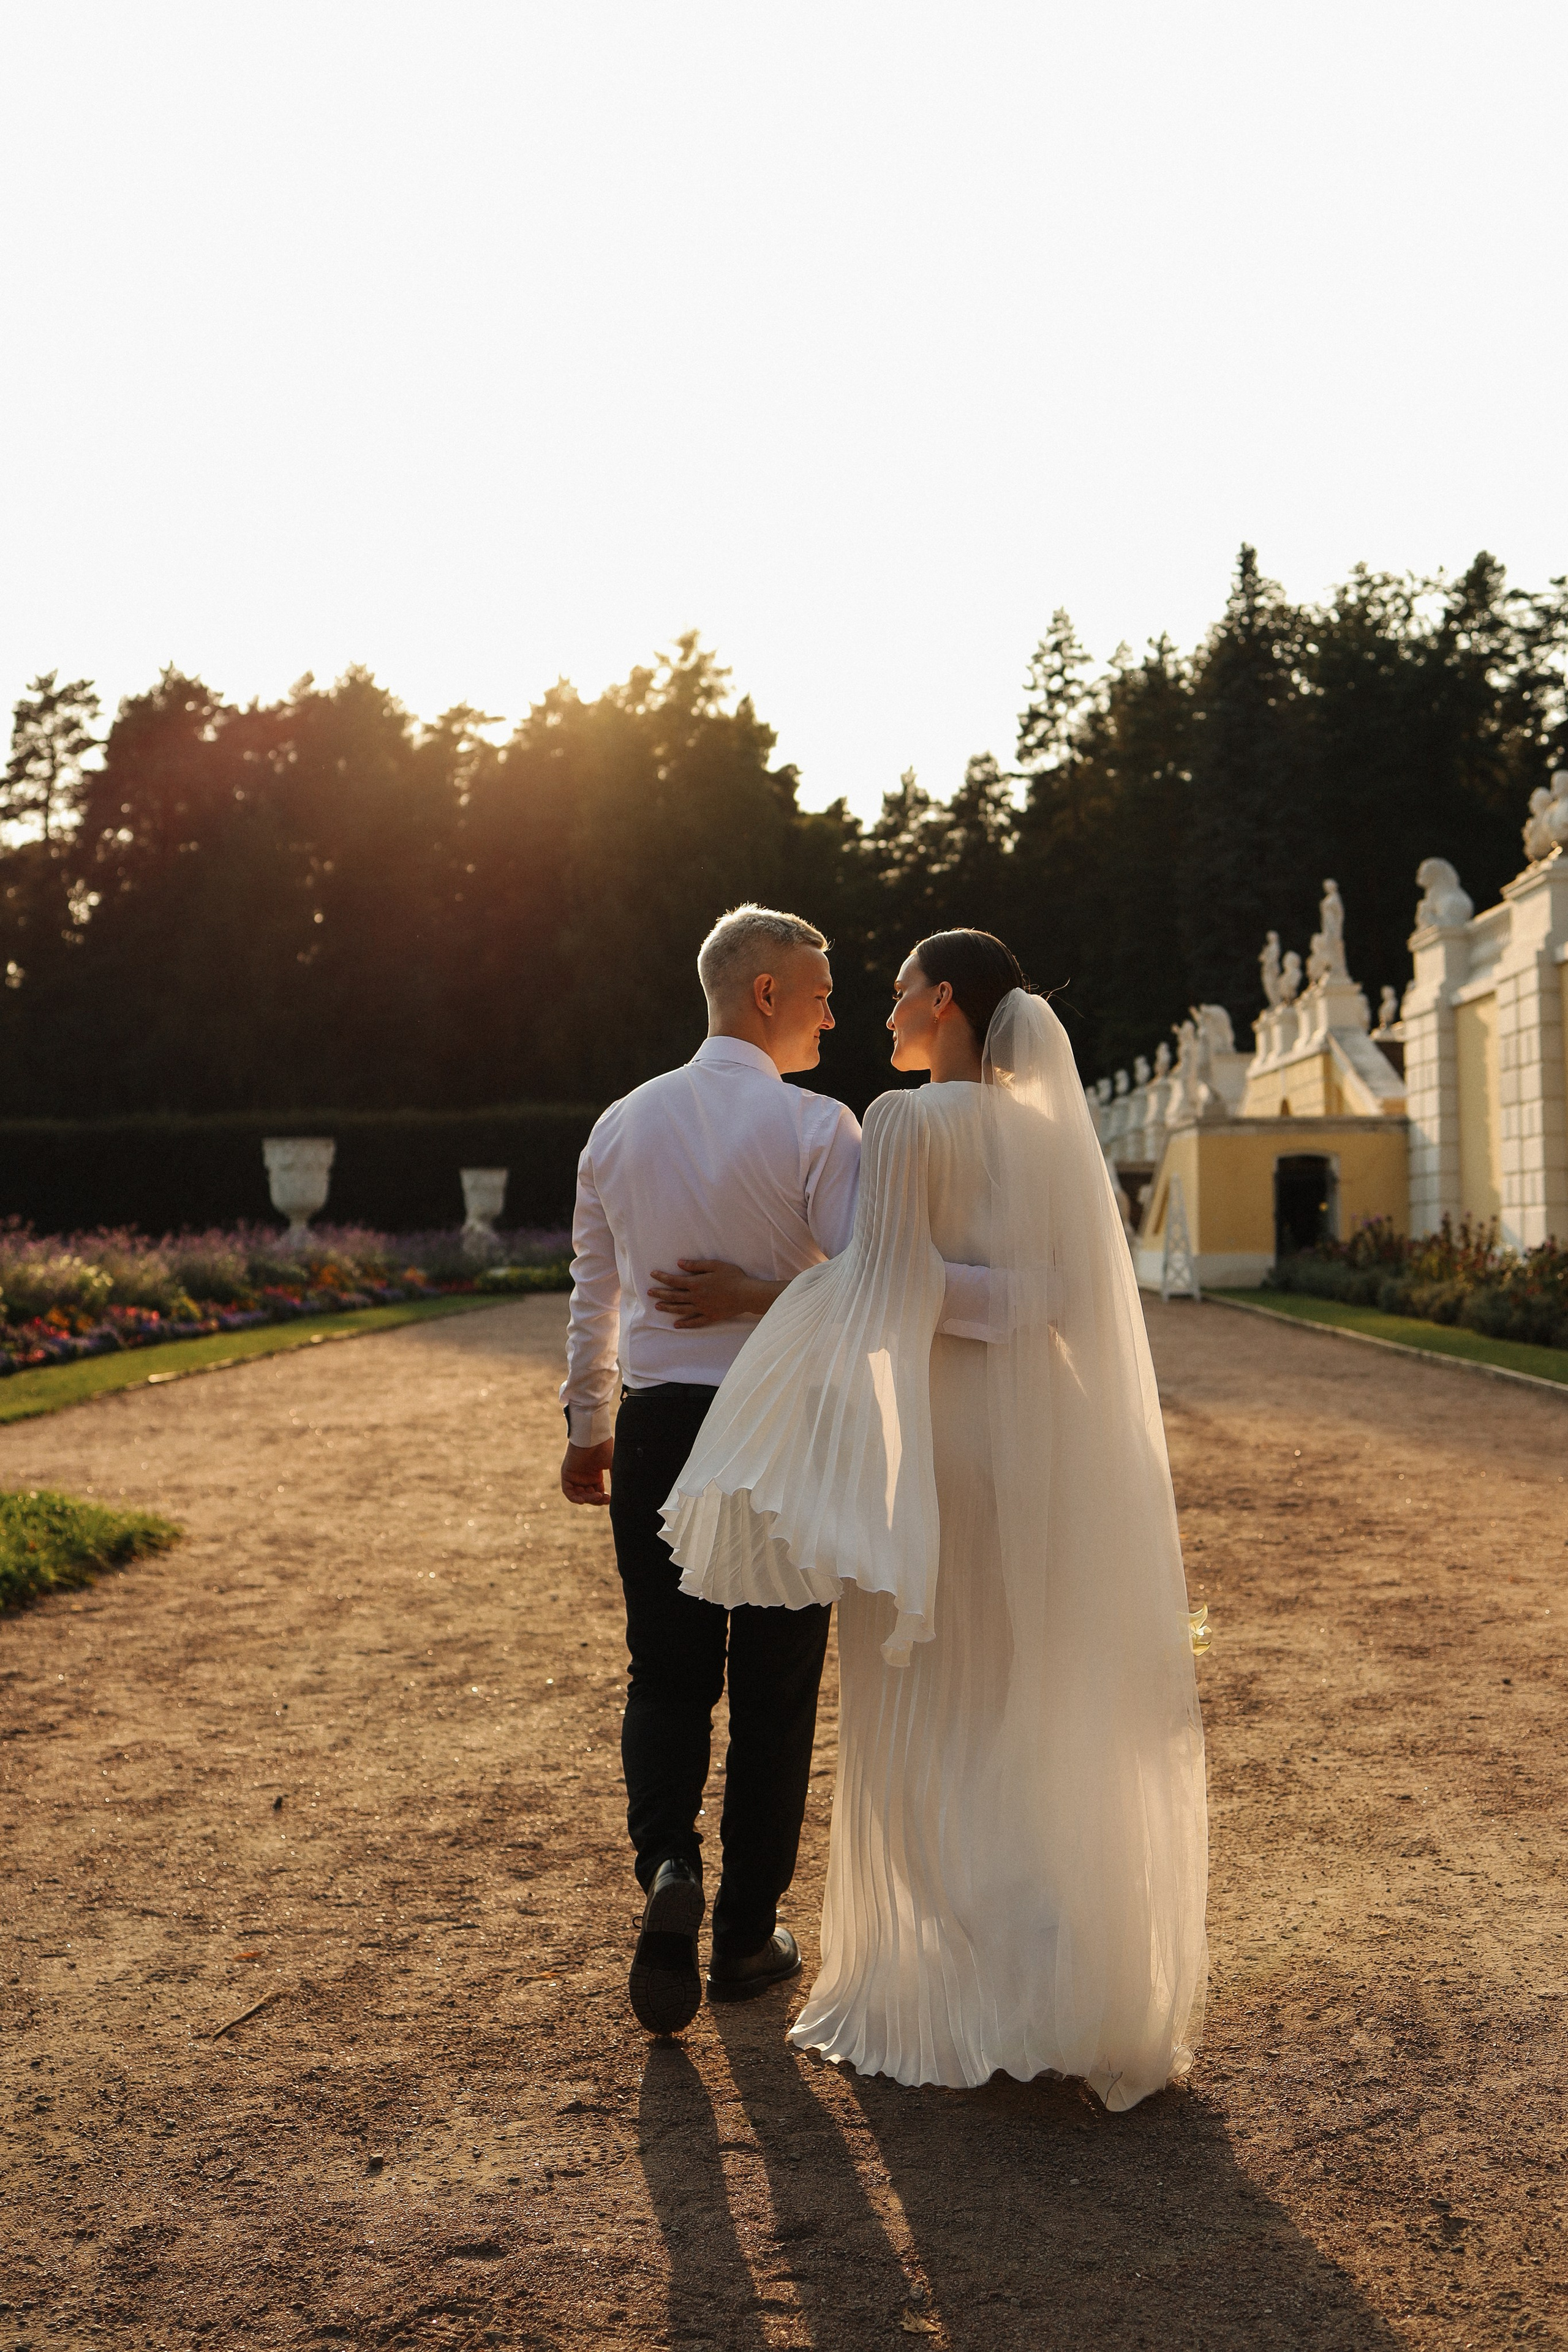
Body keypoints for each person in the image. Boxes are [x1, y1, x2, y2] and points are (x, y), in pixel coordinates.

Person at [662, 930, 1209, 2109]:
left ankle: (959, 1981)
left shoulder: (906, 1126)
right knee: (1023, 1689)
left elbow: (880, 1288)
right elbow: (1056, 1301)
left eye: (903, 989)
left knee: (925, 1695)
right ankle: (1058, 1972)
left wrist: (764, 1297)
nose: (883, 1010)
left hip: (941, 1441)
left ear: (945, 998)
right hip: (1044, 1438)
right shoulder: (1051, 1135)